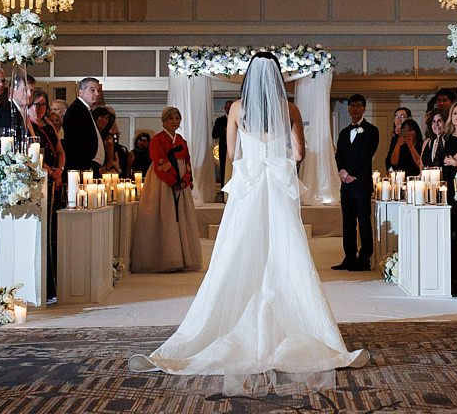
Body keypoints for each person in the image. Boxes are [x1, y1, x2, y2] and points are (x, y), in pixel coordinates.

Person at [130, 53, 368, 393]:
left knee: (237, 251)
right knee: (286, 254)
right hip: (278, 188)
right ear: (276, 79)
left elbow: (232, 156)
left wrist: (255, 153)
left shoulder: (238, 110)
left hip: (250, 189)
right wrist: (278, 151)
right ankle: (297, 325)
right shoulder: (290, 110)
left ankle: (225, 323)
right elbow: (299, 154)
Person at [130, 106, 201, 273]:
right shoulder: (157, 139)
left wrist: (185, 179)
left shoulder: (181, 140)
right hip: (163, 181)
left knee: (180, 216)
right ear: (164, 120)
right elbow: (158, 160)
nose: (175, 121)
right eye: (171, 118)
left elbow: (187, 160)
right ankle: (166, 257)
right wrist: (172, 180)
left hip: (180, 181)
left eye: (177, 118)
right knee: (165, 214)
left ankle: (182, 256)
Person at [334, 93, 377, 272]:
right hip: (346, 184)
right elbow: (339, 155)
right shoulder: (344, 132)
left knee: (363, 222)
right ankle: (349, 257)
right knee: (348, 222)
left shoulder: (371, 130)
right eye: (351, 105)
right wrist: (343, 172)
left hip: (361, 182)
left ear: (364, 108)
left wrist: (351, 174)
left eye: (358, 105)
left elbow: (367, 155)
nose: (354, 109)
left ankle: (364, 258)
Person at [63, 77, 105, 172]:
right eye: (92, 90)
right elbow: (76, 142)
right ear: (80, 92)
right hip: (82, 167)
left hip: (89, 166)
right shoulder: (76, 110)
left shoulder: (86, 110)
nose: (97, 94)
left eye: (98, 90)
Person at [212, 99, 233, 188]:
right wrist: (224, 131)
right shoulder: (220, 120)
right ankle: (223, 190)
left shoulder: (240, 119)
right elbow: (214, 135)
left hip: (235, 148)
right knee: (223, 169)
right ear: (225, 108)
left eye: (231, 108)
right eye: (228, 108)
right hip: (224, 148)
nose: (229, 110)